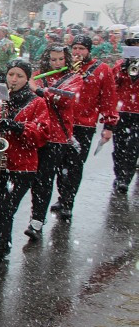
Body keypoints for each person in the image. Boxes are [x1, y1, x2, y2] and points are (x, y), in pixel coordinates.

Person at [0, 59, 50, 277]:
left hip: (22, 167)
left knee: (5, 210)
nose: (14, 79)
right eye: (11, 75)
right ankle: (4, 241)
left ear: (27, 78)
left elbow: (41, 134)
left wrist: (18, 127)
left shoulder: (37, 102)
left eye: (19, 76)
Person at [52, 35, 117, 218]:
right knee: (59, 165)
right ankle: (62, 196)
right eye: (75, 48)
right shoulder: (66, 67)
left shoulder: (102, 69)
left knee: (75, 165)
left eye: (82, 49)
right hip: (63, 123)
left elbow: (108, 98)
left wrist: (109, 125)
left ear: (89, 50)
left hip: (84, 126)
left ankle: (68, 201)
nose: (78, 52)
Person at [24, 45, 80, 240]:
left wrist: (38, 89)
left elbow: (63, 99)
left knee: (44, 182)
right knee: (32, 180)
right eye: (53, 60)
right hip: (36, 134)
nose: (57, 64)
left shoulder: (73, 78)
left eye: (61, 60)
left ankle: (37, 221)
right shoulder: (38, 75)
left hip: (56, 138)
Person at [111, 29, 139, 193]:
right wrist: (123, 69)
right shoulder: (121, 64)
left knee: (133, 147)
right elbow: (113, 84)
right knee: (119, 147)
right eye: (134, 45)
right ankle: (118, 174)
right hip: (122, 110)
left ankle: (125, 179)